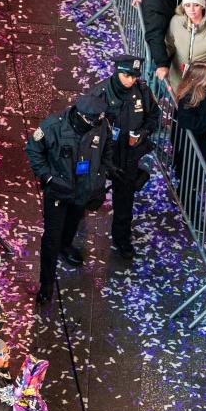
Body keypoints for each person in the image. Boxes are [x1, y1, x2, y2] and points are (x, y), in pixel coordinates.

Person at [25, 94, 110, 306]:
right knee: (51, 237)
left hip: (83, 189)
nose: (96, 123)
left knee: (73, 222)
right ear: (81, 115)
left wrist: (100, 176)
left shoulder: (100, 125)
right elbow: (34, 150)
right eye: (92, 120)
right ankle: (46, 285)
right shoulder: (53, 125)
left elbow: (107, 149)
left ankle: (67, 245)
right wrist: (48, 177)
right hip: (58, 190)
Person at [85, 55, 159, 260]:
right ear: (117, 72)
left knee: (125, 198)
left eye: (134, 76)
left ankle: (122, 239)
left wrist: (142, 133)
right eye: (127, 75)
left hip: (128, 154)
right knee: (87, 189)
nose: (131, 80)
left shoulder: (142, 92)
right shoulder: (100, 92)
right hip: (102, 153)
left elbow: (154, 116)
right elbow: (85, 121)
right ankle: (74, 225)